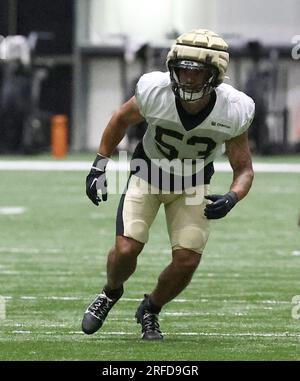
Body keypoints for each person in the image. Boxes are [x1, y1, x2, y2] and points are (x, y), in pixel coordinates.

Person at [81, 29, 255, 340]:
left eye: (196, 72)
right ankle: (110, 292)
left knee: (187, 260)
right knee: (126, 249)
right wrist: (99, 165)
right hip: (147, 174)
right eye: (182, 71)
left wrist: (233, 196)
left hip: (192, 184)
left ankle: (151, 308)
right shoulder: (154, 91)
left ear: (215, 75)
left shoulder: (234, 109)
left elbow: (244, 169)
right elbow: (120, 119)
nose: (187, 79)